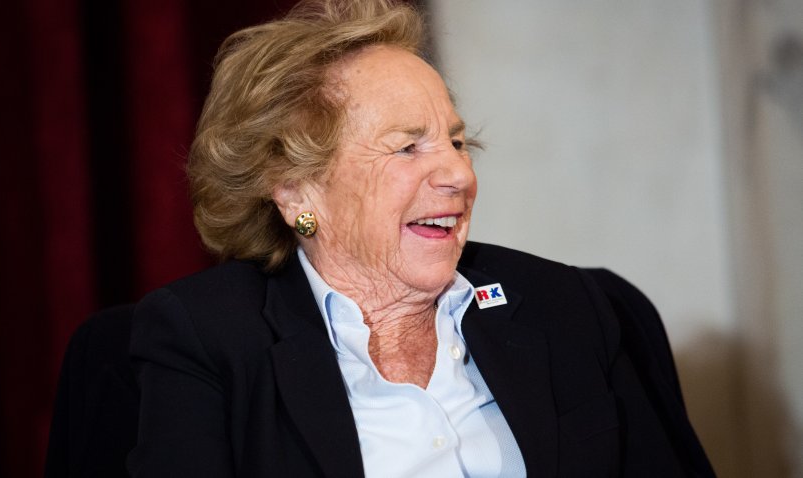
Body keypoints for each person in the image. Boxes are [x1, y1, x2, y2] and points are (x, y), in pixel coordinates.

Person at [128, 1, 714, 477]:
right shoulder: (206, 341)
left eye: (458, 143)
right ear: (296, 190)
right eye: (408, 147)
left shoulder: (569, 307)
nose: (458, 175)